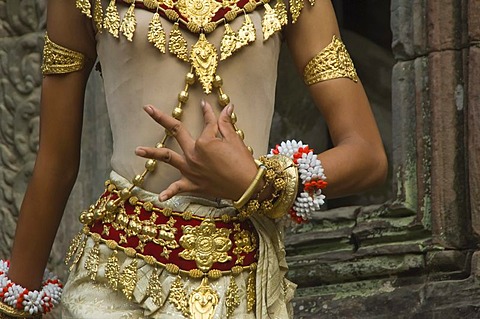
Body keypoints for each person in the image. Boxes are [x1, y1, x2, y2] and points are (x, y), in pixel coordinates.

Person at [0, 0, 387, 318]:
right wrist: (13, 302)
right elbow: (55, 164)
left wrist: (261, 182)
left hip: (242, 285)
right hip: (117, 278)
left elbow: (366, 154)